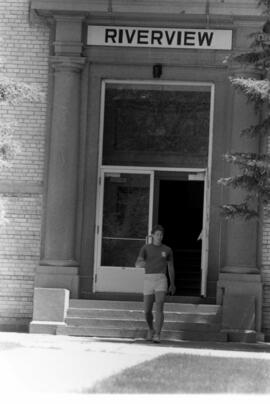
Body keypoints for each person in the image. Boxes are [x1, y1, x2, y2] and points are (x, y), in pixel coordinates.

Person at [135, 224, 176, 343]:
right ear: (152, 235)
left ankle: (158, 334)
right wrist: (141, 264)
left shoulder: (167, 250)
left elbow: (171, 267)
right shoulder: (146, 248)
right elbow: (138, 262)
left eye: (161, 234)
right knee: (147, 310)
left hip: (161, 279)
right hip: (148, 279)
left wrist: (172, 284)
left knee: (159, 306)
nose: (159, 236)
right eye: (157, 234)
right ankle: (151, 329)